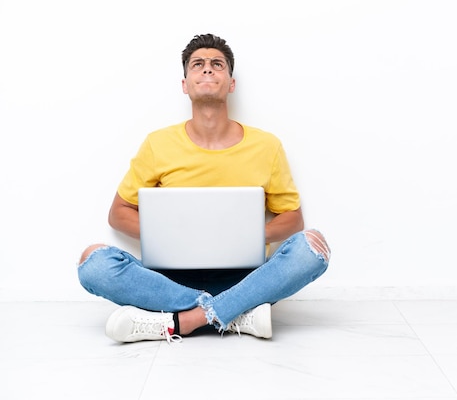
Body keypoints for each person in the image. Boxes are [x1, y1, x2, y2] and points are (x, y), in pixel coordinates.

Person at [77, 33, 331, 343]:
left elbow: (293, 218)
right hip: (169, 280)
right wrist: (174, 234)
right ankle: (235, 314)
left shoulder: (267, 145)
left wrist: (245, 236)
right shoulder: (158, 143)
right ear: (185, 84)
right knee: (93, 263)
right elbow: (118, 214)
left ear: (231, 83)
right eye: (198, 64)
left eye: (217, 64)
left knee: (313, 248)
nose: (207, 69)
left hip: (246, 277)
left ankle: (182, 322)